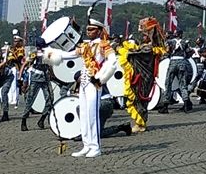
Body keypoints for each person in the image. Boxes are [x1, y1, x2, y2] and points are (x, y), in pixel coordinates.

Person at [44, 16, 117, 158]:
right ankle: (86, 144)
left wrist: (101, 78)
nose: (88, 31)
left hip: (93, 81)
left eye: (92, 29)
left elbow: (113, 61)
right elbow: (68, 55)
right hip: (83, 83)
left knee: (92, 115)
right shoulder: (85, 46)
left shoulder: (103, 45)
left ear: (99, 31)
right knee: (83, 114)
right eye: (88, 29)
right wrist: (49, 53)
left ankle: (95, 146)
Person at [118, 18, 166, 133]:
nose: (142, 37)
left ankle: (141, 123)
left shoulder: (150, 49)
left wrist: (123, 49)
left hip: (144, 77)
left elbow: (136, 54)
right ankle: (138, 122)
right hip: (139, 75)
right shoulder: (147, 47)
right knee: (136, 98)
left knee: (141, 99)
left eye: (145, 34)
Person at [19, 48, 55, 131]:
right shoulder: (34, 53)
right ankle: (24, 120)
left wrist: (52, 74)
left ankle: (42, 119)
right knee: (30, 100)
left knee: (50, 99)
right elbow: (25, 63)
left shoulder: (47, 53)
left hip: (45, 78)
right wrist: (20, 77)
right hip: (35, 79)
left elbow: (49, 65)